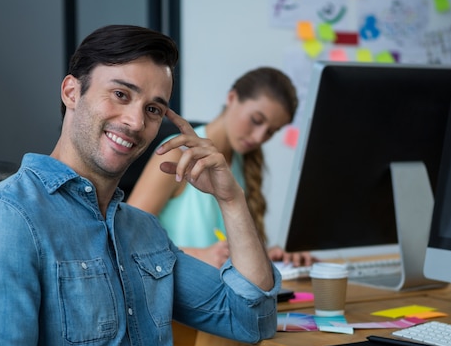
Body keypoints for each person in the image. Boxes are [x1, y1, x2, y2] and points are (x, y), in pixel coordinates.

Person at [0, 24, 281, 346]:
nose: (136, 122)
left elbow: (251, 319)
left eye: (153, 109)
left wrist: (232, 198)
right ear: (72, 92)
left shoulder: (142, 230)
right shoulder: (5, 222)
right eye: (121, 94)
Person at [127, 67, 315, 268]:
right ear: (232, 98)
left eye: (271, 132)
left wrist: (268, 255)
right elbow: (126, 239)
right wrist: (198, 254)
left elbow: (233, 251)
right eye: (256, 120)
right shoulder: (177, 153)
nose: (259, 137)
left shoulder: (244, 163)